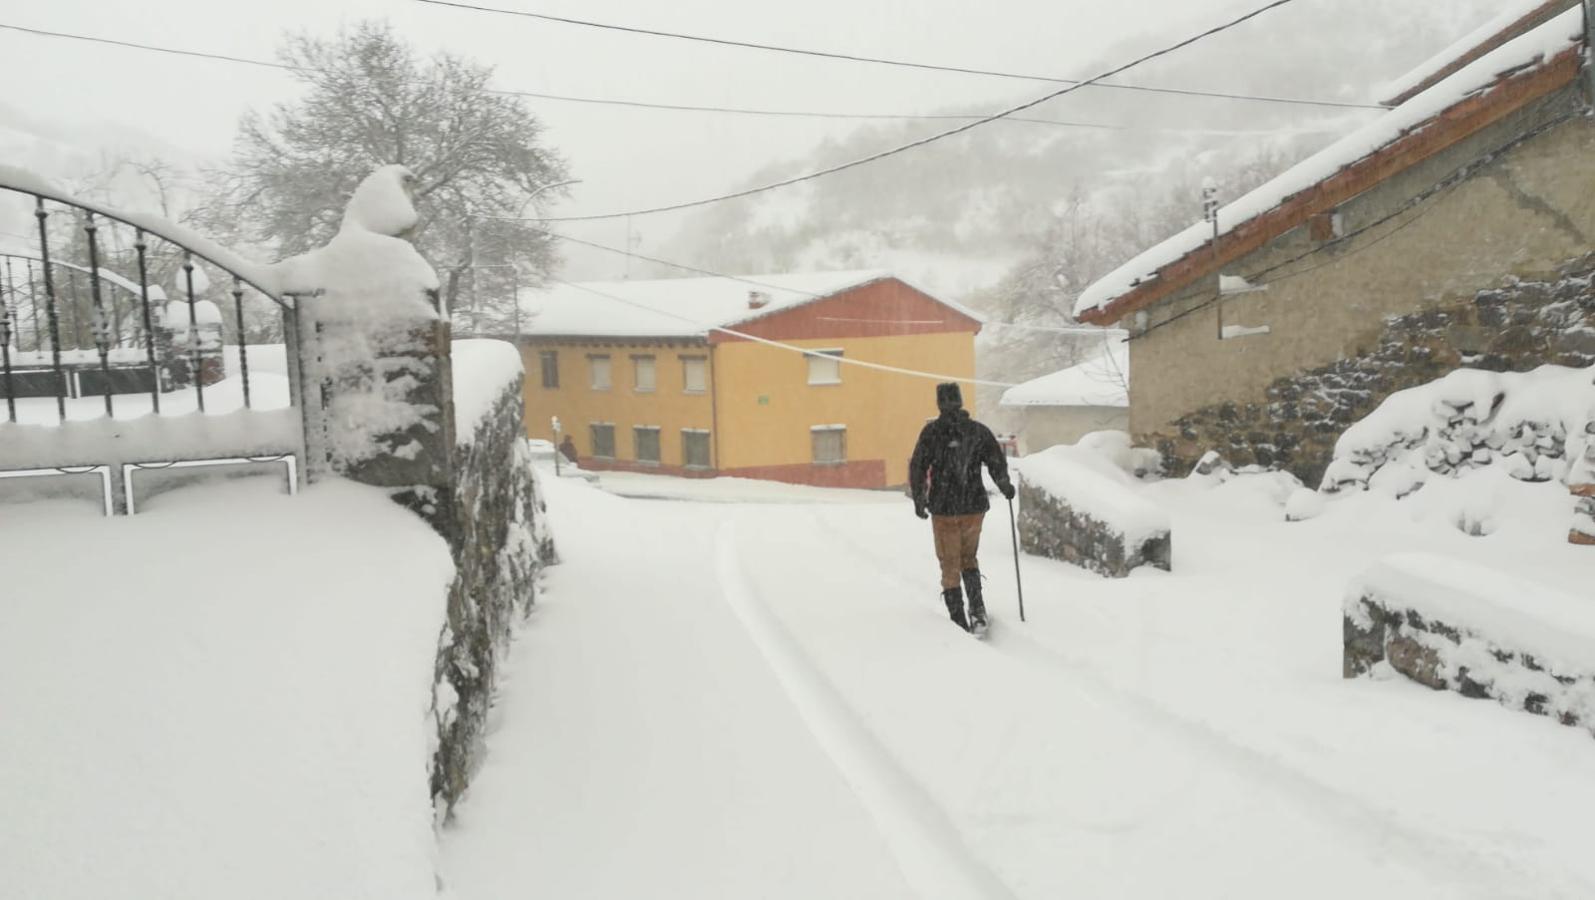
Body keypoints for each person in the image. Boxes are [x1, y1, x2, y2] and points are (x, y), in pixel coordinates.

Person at [908, 383, 1015, 632]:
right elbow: (995, 461)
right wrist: (1004, 484)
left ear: (939, 403)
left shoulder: (932, 433)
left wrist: (919, 498)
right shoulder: (977, 431)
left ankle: (957, 619)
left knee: (949, 562)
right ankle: (977, 610)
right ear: (960, 401)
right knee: (968, 557)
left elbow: (918, 467)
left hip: (944, 508)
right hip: (973, 506)